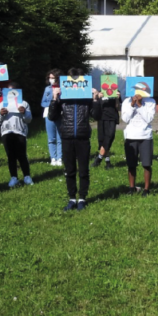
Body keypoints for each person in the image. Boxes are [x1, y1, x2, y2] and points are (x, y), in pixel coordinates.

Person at [48, 67, 101, 212]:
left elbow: (97, 116)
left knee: (83, 170)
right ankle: (72, 198)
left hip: (83, 136)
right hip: (67, 136)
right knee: (69, 170)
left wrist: (95, 99)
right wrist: (54, 98)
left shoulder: (87, 97)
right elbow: (52, 116)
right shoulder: (63, 97)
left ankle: (82, 198)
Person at [121, 81, 156, 196]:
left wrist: (140, 105)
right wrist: (132, 104)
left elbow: (149, 119)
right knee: (131, 164)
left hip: (145, 136)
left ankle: (146, 189)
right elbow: (125, 119)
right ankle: (132, 188)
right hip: (131, 135)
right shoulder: (126, 101)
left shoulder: (151, 101)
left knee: (146, 164)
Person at [0, 82, 33, 187]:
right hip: (6, 132)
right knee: (11, 155)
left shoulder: (24, 104)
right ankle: (14, 177)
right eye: (8, 91)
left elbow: (29, 119)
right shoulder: (2, 104)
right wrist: (1, 114)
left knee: (22, 154)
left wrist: (24, 112)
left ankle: (27, 176)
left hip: (20, 131)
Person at [94, 86, 120, 170]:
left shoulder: (116, 92)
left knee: (109, 137)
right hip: (101, 118)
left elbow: (118, 107)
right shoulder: (100, 92)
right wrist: (97, 98)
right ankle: (107, 161)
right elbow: (96, 107)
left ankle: (99, 158)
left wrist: (117, 98)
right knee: (103, 140)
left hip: (112, 118)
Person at [41, 69, 63, 167]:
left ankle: (60, 158)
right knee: (51, 138)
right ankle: (53, 158)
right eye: (50, 78)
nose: (51, 80)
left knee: (60, 137)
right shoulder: (47, 89)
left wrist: (58, 97)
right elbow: (43, 103)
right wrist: (52, 102)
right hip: (49, 114)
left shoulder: (63, 88)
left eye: (53, 78)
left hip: (60, 114)